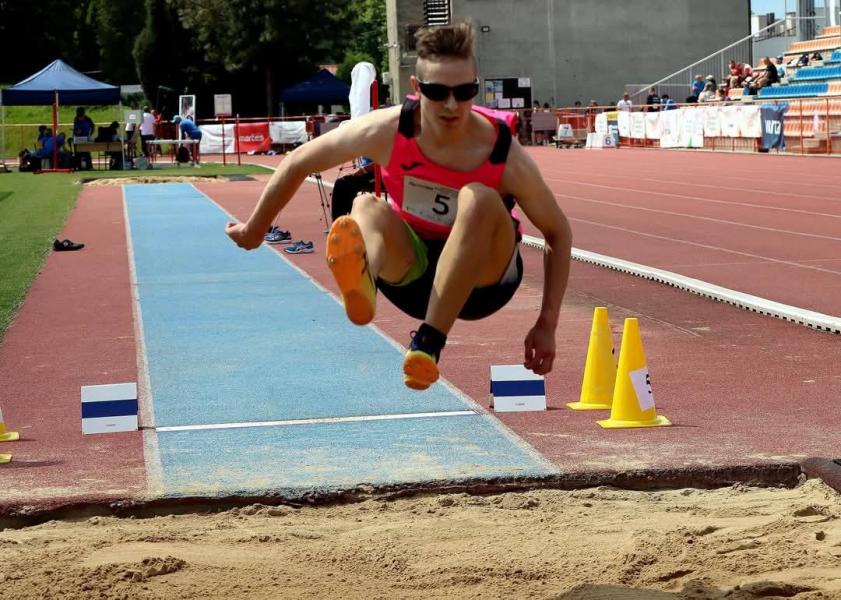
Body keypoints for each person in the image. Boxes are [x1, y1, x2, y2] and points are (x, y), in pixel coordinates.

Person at [226, 22, 572, 391]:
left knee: (479, 197)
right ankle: (363, 275)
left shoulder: (502, 152)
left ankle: (429, 343)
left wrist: (547, 323)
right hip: (414, 271)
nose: (452, 104)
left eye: (465, 91)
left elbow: (557, 231)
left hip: (483, 283)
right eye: (438, 92)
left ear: (476, 87)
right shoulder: (387, 130)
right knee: (365, 206)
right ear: (416, 89)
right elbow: (299, 161)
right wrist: (254, 230)